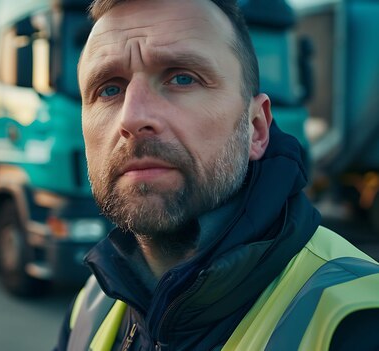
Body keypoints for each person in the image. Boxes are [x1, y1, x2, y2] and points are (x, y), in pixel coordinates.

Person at [55, 0, 379, 350]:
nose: (132, 118)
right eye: (109, 89)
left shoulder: (360, 321)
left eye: (182, 78)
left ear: (256, 129)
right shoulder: (91, 308)